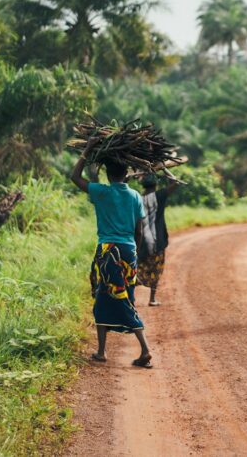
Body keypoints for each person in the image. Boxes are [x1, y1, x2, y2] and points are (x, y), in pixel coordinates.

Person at [70, 137, 153, 368]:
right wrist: (134, 254)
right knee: (108, 299)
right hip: (128, 252)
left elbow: (75, 177)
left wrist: (87, 149)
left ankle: (145, 350)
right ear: (126, 173)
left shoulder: (102, 192)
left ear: (108, 174)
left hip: (108, 252)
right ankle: (101, 351)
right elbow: (139, 230)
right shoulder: (136, 196)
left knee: (116, 300)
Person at [136, 173, 178, 307]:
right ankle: (152, 298)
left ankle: (130, 297)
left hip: (141, 241)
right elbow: (174, 182)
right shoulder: (160, 195)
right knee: (156, 268)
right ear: (155, 184)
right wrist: (165, 171)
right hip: (157, 240)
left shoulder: (137, 198)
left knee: (138, 268)